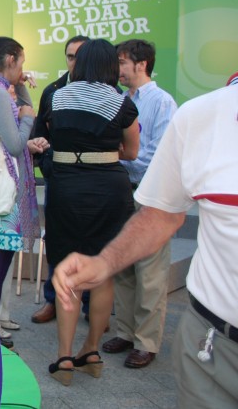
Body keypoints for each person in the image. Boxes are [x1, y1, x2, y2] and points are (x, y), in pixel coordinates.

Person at [54, 75, 238, 406]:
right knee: (123, 279)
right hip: (214, 341)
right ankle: (119, 338)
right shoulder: (201, 115)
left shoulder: (158, 102)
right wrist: (105, 261)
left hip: (91, 190)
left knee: (148, 280)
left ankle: (138, 342)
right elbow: (162, 216)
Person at [43, 38, 139, 385]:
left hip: (67, 188)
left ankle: (64, 357)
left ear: (79, 63)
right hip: (110, 191)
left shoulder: (57, 96)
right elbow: (131, 152)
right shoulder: (121, 103)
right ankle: (92, 349)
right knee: (103, 271)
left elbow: (56, 137)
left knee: (69, 272)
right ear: (111, 67)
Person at [101, 39, 177, 368]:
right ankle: (127, 331)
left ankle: (147, 341)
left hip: (153, 195)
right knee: (124, 268)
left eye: (122, 63)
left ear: (142, 64)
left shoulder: (162, 102)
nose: (118, 70)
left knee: (150, 272)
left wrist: (120, 156)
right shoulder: (120, 100)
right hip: (122, 191)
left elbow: (158, 154)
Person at [0, 37, 45, 347]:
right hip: (3, 195)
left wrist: (24, 88)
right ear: (11, 59)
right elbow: (15, 144)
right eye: (22, 63)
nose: (23, 70)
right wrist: (28, 120)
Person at [30, 35, 89, 324]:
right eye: (69, 56)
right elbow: (38, 134)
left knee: (92, 243)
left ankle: (91, 306)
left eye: (80, 56)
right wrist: (48, 165)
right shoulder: (53, 91)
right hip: (59, 180)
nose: (74, 61)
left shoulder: (108, 92)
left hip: (93, 182)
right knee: (56, 240)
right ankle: (53, 300)